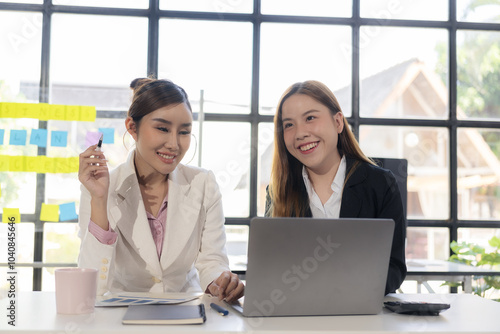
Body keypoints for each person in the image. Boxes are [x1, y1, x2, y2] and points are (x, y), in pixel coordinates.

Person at [78, 77, 244, 302]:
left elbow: (212, 261)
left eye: (184, 132)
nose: (174, 144)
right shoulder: (101, 186)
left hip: (186, 312)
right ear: (132, 127)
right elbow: (91, 286)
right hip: (122, 315)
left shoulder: (203, 183)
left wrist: (220, 283)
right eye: (162, 128)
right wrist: (99, 200)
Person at [265, 80, 406, 294]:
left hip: (362, 314)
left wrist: (343, 289)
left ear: (338, 122)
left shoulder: (380, 184)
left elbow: (394, 268)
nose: (300, 133)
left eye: (310, 118)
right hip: (299, 315)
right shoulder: (278, 192)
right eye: (289, 125)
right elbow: (271, 268)